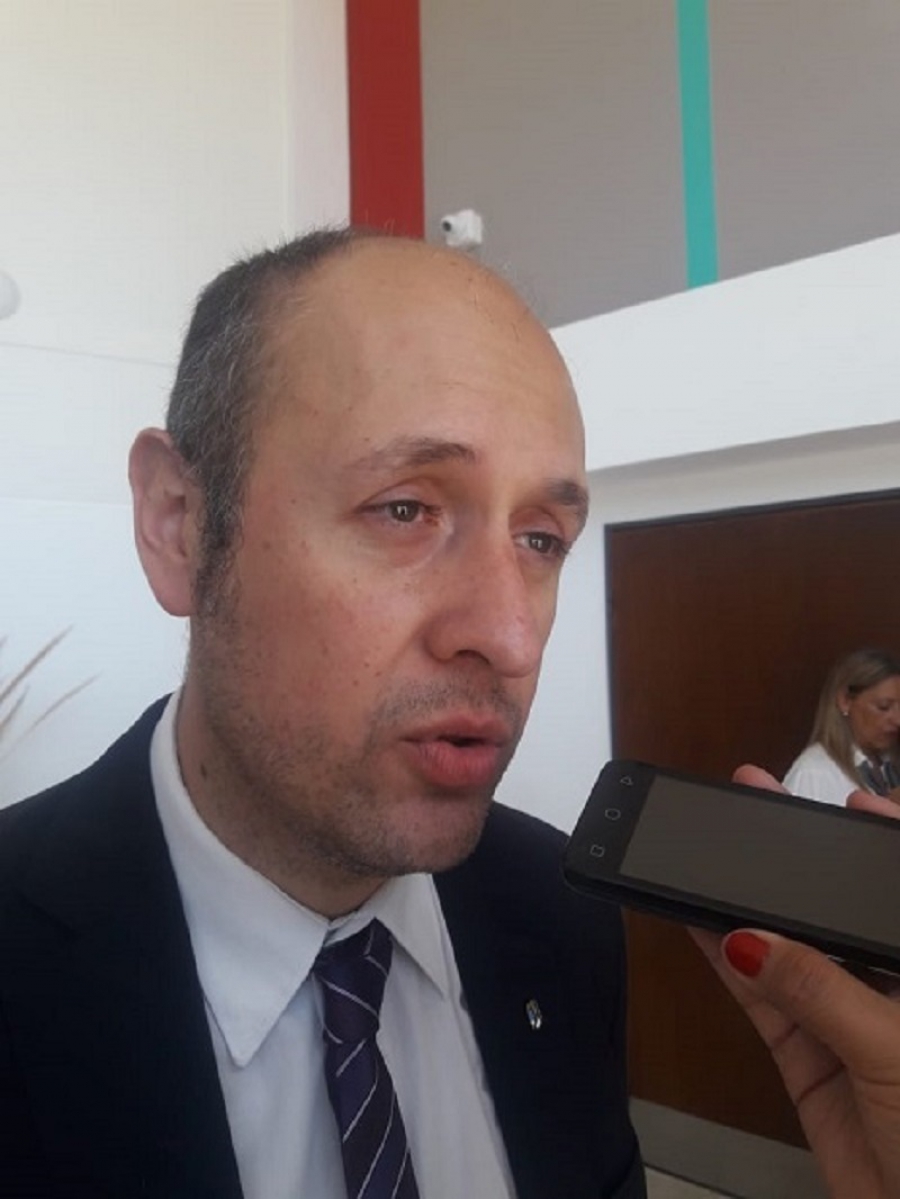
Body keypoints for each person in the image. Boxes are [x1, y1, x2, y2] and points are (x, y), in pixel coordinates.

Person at [4, 230, 900, 1199]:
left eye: (542, 537)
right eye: (405, 509)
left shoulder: (562, 918)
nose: (512, 636)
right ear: (179, 520)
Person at [784, 648, 900, 806]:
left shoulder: (889, 769)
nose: (897, 720)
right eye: (883, 707)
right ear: (845, 700)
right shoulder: (814, 773)